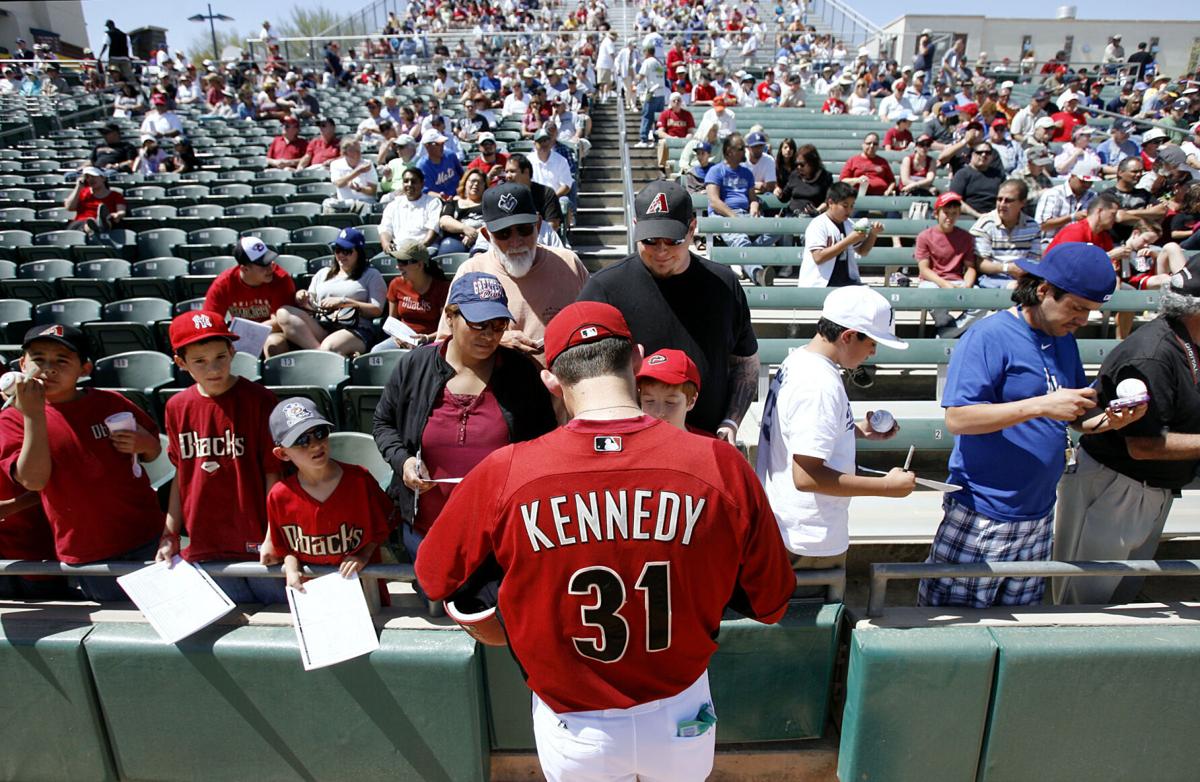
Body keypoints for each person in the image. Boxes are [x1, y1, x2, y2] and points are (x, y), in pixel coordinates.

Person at [414, 300, 794, 782]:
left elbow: (433, 576)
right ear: (636, 360)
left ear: (551, 379)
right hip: (680, 714)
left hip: (573, 726)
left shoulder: (506, 471)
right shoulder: (719, 464)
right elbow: (772, 604)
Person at [918, 244, 1136, 608]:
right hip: (983, 514)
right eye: (1077, 308)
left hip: (1038, 513)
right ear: (1043, 290)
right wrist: (1040, 406)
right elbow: (959, 418)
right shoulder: (989, 335)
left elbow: (1072, 412)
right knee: (955, 634)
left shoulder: (1063, 338)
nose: (1082, 320)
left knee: (1021, 629)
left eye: (1091, 312)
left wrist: (1106, 421)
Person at [372, 271, 555, 573]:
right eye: (478, 324)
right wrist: (403, 461)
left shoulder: (521, 373)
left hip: (499, 533)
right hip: (426, 530)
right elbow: (383, 423)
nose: (489, 335)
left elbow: (544, 442)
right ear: (450, 316)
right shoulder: (414, 365)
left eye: (498, 326)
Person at [1054, 257, 1199, 605]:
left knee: (1121, 597)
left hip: (1152, 488)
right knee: (1085, 604)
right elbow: (1144, 446)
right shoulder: (1153, 354)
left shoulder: (1187, 340)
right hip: (1117, 486)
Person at [578, 180, 758, 442]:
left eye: (673, 240)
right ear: (637, 227)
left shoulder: (724, 284)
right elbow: (581, 373)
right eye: (650, 240)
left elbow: (745, 363)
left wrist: (730, 422)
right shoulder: (605, 288)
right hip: (632, 446)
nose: (661, 251)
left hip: (705, 442)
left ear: (692, 228)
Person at [757, 286, 914, 580]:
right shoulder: (819, 385)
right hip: (805, 537)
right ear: (848, 335)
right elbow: (807, 477)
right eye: (872, 342)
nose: (874, 352)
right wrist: (887, 488)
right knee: (806, 622)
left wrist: (854, 431)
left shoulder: (800, 359)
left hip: (790, 526)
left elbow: (798, 432)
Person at [0, 324, 162, 601]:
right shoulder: (14, 420)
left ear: (84, 369)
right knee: (119, 625)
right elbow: (34, 480)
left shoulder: (110, 402)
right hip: (88, 548)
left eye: (62, 360)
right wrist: (34, 415)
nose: (49, 368)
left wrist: (144, 443)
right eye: (38, 359)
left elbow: (153, 451)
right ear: (22, 364)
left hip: (147, 533)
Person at [155, 311, 286, 604]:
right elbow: (181, 475)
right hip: (206, 540)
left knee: (278, 619)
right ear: (181, 363)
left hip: (256, 539)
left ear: (232, 352)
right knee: (230, 626)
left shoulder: (259, 399)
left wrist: (271, 535)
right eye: (199, 361)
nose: (213, 368)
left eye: (220, 357)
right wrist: (170, 532)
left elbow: (273, 473)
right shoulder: (177, 406)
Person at [437, 183, 589, 361]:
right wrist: (496, 339)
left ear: (538, 226)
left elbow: (596, 325)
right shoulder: (470, 272)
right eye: (503, 233)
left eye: (524, 230)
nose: (516, 242)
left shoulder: (569, 263)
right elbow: (444, 343)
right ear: (487, 236)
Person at [266, 397, 392, 596]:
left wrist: (362, 555)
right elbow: (285, 547)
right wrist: (291, 568)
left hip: (362, 585)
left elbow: (384, 526)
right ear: (282, 453)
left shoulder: (359, 480)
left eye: (319, 433)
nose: (315, 445)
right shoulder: (280, 495)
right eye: (301, 441)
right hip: (313, 592)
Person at [276, 227, 386, 356]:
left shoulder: (371, 275)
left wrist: (344, 302)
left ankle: (325, 355)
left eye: (347, 251)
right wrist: (302, 298)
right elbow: (310, 306)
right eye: (338, 250)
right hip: (322, 324)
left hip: (355, 328)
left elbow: (377, 309)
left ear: (359, 252)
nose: (341, 255)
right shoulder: (323, 273)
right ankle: (321, 354)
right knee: (283, 312)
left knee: (329, 347)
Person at [704, 132, 777, 286]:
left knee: (776, 229)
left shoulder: (746, 173)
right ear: (729, 151)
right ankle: (758, 274)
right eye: (741, 148)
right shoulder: (716, 171)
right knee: (740, 239)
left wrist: (754, 207)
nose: (745, 150)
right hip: (723, 216)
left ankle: (739, 258)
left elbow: (752, 198)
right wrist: (734, 219)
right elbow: (714, 201)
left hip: (745, 215)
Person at [204, 237, 297, 357]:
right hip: (239, 337)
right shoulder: (224, 283)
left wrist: (248, 332)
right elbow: (210, 320)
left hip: (272, 332)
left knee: (274, 344)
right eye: (263, 265)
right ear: (245, 269)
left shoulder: (280, 278)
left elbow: (281, 321)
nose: (270, 268)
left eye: (270, 262)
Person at [798, 181, 884, 288]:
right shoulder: (818, 224)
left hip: (847, 282)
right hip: (821, 284)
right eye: (845, 206)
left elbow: (862, 251)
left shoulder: (849, 224)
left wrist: (873, 234)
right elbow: (818, 257)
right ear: (831, 203)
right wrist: (849, 240)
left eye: (852, 206)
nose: (849, 210)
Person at [916, 192, 979, 336]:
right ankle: (948, 328)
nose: (950, 217)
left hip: (957, 280)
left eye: (954, 213)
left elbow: (970, 267)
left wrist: (967, 286)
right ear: (936, 214)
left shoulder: (965, 237)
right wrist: (944, 284)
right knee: (929, 293)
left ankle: (946, 333)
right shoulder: (925, 236)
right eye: (946, 212)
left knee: (982, 301)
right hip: (932, 281)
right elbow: (924, 269)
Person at [371, 241, 450, 352]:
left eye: (403, 262)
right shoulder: (396, 284)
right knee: (377, 351)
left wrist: (426, 338)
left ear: (419, 265)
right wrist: (396, 338)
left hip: (431, 341)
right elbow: (392, 321)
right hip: (402, 340)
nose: (398, 266)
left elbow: (447, 327)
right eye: (398, 261)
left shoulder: (442, 288)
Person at [971, 179, 1043, 289]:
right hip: (992, 278)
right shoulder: (985, 224)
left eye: (1008, 200)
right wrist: (1008, 268)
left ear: (1022, 203)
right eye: (999, 199)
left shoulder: (1033, 227)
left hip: (1023, 278)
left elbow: (1034, 260)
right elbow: (981, 264)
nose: (1002, 204)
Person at [635, 348, 704, 432]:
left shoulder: (709, 444)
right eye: (649, 401)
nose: (659, 412)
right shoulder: (625, 443)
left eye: (670, 402)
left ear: (691, 401)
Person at [378, 166, 442, 254]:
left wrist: (417, 249)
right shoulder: (393, 205)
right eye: (406, 181)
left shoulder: (433, 203)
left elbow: (433, 230)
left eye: (414, 181)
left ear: (422, 184)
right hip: (398, 249)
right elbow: (385, 229)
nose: (409, 184)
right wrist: (386, 244)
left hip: (424, 249)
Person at [1035, 162, 1100, 241]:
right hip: (1051, 242)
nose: (1087, 185)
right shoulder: (1054, 194)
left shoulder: (1093, 196)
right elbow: (1042, 225)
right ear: (1072, 176)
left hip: (1081, 243)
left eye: (1090, 182)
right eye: (1083, 181)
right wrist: (1072, 217)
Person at [437, 168, 488, 256]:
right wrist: (465, 229)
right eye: (473, 181)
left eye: (480, 182)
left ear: (484, 186)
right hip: (455, 241)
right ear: (465, 183)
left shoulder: (489, 204)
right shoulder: (453, 202)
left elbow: (492, 223)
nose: (476, 184)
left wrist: (475, 234)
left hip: (481, 241)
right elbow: (444, 221)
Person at [64, 166, 125, 236]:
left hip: (108, 221)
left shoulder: (115, 195)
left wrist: (117, 215)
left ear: (103, 178)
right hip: (81, 223)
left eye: (93, 176)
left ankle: (100, 224)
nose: (90, 179)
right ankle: (96, 227)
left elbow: (121, 211)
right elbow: (69, 207)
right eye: (87, 177)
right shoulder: (82, 192)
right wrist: (78, 187)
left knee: (108, 221)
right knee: (89, 223)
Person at [949, 142, 1005, 218]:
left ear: (992, 157)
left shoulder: (998, 175)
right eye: (979, 152)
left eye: (988, 153)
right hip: (969, 217)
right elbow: (954, 200)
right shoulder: (962, 174)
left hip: (995, 217)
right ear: (972, 155)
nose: (984, 155)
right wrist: (978, 215)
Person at [324, 139, 378, 216]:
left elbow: (373, 191)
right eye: (355, 150)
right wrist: (358, 171)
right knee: (327, 203)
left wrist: (359, 189)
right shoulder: (335, 164)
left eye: (359, 149)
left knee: (364, 207)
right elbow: (338, 183)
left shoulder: (367, 164)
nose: (359, 153)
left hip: (365, 202)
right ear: (345, 153)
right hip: (344, 203)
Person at [778, 143, 832, 216]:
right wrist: (779, 193)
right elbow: (784, 198)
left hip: (814, 217)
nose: (799, 167)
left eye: (802, 164)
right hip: (792, 214)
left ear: (812, 163)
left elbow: (829, 201)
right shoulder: (795, 175)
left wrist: (817, 211)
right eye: (797, 164)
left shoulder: (825, 177)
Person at [634, 43, 668, 147]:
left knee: (647, 116)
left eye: (644, 52)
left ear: (647, 52)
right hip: (661, 94)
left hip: (652, 93)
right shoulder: (659, 62)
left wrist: (634, 81)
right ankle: (657, 139)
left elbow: (641, 76)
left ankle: (644, 140)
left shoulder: (647, 62)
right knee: (658, 118)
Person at [417, 129, 463, 199]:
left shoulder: (450, 155)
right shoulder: (422, 166)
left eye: (443, 143)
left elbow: (462, 175)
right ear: (427, 146)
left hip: (458, 196)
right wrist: (441, 196)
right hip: (437, 201)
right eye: (437, 144)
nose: (442, 147)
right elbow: (425, 191)